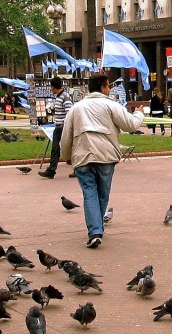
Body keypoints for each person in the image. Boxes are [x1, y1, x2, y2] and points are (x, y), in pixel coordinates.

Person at [60, 74, 144, 248]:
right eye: (108, 86)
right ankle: (97, 229)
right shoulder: (111, 105)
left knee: (89, 193)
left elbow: (65, 136)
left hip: (82, 156)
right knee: (102, 194)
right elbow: (131, 125)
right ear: (103, 87)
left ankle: (95, 231)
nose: (110, 89)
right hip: (106, 155)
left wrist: (66, 155)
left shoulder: (76, 108)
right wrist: (139, 113)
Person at [39, 76, 73, 179]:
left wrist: (64, 125)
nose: (50, 89)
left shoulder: (65, 97)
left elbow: (70, 112)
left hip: (63, 127)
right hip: (58, 126)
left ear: (54, 87)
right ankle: (51, 171)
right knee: (55, 149)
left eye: (51, 87)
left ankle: (78, 169)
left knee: (71, 148)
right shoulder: (59, 97)